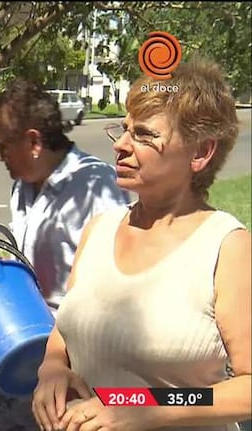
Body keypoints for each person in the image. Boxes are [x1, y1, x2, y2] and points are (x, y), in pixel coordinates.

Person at [32, 57, 251, 431]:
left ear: (200, 153)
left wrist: (148, 406)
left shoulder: (227, 247)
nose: (120, 145)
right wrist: (52, 368)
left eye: (145, 135)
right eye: (124, 129)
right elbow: (66, 332)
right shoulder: (98, 230)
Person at [0, 78, 130, 310]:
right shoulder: (22, 187)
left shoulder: (94, 186)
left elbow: (113, 277)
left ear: (34, 141)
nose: (0, 157)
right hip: (31, 326)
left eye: (4, 146)